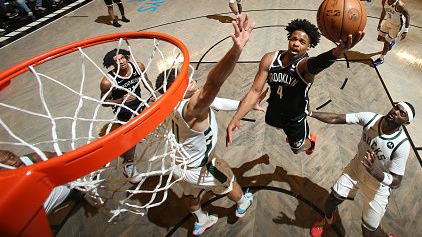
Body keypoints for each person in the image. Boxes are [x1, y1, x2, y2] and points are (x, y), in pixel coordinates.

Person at [155, 14, 261, 236]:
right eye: (183, 80)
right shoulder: (192, 109)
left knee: (190, 195)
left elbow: (217, 102)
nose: (190, 78)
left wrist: (246, 105)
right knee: (230, 183)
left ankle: (201, 220)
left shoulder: (166, 108)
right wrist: (236, 50)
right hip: (203, 166)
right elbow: (213, 83)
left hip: (178, 167)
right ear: (175, 91)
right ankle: (243, 203)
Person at [226, 19, 364, 155]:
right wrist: (236, 118)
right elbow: (255, 91)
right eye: (294, 39)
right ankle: (293, 137)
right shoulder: (270, 59)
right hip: (275, 107)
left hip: (295, 116)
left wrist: (337, 52)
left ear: (309, 47)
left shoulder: (303, 66)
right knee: (273, 123)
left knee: (296, 149)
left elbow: (316, 63)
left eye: (302, 42)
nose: (296, 44)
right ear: (289, 39)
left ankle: (311, 142)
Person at [308, 101, 416, 237]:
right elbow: (336, 117)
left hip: (377, 187)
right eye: (396, 108)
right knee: (331, 201)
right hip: (356, 170)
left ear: (406, 122)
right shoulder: (370, 118)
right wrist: (310, 112)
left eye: (402, 113)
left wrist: (375, 172)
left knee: (369, 232)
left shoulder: (402, 145)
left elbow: (396, 181)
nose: (396, 112)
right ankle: (329, 219)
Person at [100, 48, 152, 183]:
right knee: (131, 139)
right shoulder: (108, 81)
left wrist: (153, 93)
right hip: (123, 111)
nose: (121, 62)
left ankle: (140, 135)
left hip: (139, 104)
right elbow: (103, 102)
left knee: (142, 127)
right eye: (116, 61)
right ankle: (128, 165)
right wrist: (120, 100)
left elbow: (146, 80)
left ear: (127, 57)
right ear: (112, 64)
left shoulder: (138, 66)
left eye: (122, 58)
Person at [0, 149, 79, 214]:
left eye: (11, 156)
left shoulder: (27, 161)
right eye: (4, 165)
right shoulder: (8, 196)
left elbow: (59, 155)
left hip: (70, 188)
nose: (13, 162)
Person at [373, 0, 411, 66]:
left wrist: (406, 31)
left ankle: (381, 58)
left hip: (397, 26)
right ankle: (391, 41)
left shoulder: (399, 5)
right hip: (388, 22)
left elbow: (407, 15)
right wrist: (379, 23)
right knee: (379, 38)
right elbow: (383, 12)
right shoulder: (384, 1)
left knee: (386, 42)